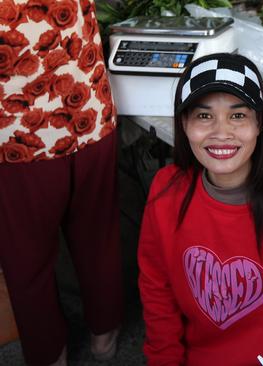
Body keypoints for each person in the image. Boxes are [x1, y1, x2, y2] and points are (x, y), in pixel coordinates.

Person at [137, 52, 263, 366]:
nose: (221, 132)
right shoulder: (165, 192)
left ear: (259, 122)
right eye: (204, 116)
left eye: (237, 115)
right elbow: (157, 294)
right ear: (184, 124)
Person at [0, 1, 122, 365]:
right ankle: (105, 336)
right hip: (88, 109)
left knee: (26, 259)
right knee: (97, 232)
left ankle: (50, 353)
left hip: (18, 136)